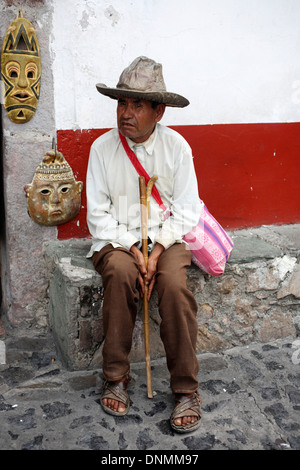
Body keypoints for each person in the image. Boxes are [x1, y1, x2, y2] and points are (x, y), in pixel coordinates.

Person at [86, 56, 202, 433]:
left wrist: (156, 248)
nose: (126, 112)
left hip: (166, 240)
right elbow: (97, 215)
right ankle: (116, 377)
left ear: (159, 111)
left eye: (137, 104)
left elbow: (187, 210)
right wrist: (133, 249)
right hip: (117, 241)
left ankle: (186, 388)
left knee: (173, 285)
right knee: (120, 273)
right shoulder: (102, 149)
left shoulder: (177, 148)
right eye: (122, 103)